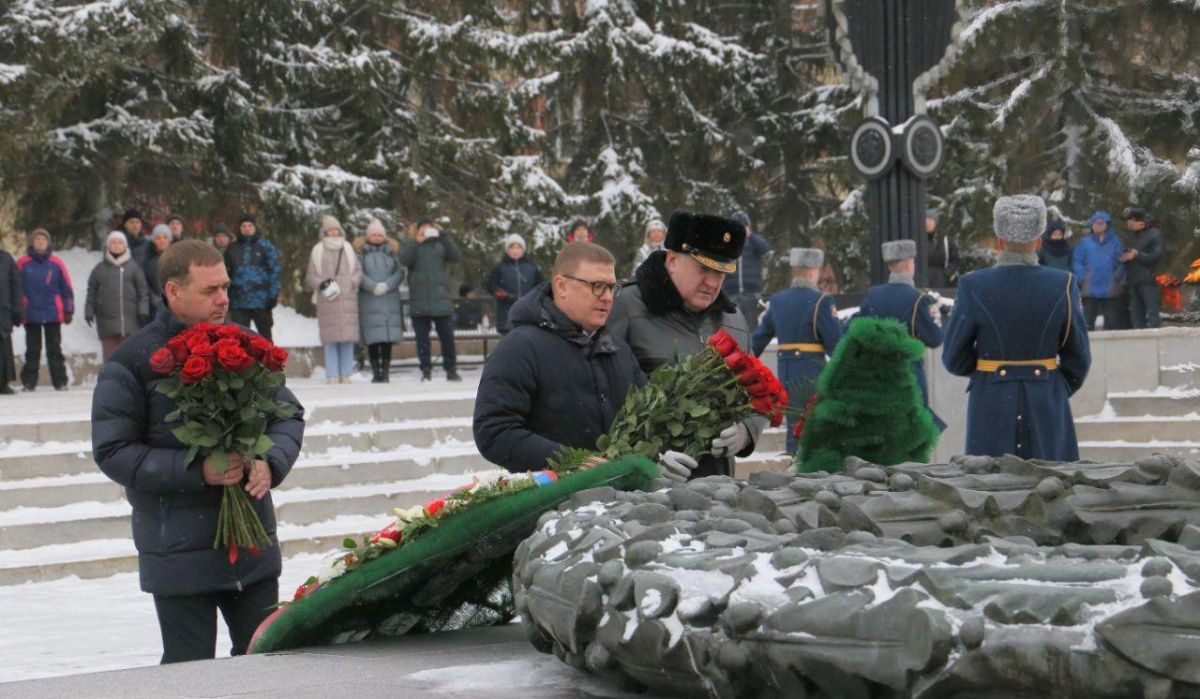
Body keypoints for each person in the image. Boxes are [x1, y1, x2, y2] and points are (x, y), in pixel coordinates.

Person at [91, 239, 304, 664]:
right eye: (210, 290)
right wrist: (198, 471)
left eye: (225, 287)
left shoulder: (245, 344)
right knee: (190, 677)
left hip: (251, 546)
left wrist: (270, 460)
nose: (223, 299)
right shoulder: (132, 361)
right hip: (178, 553)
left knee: (267, 668)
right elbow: (113, 450)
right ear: (173, 291)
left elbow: (287, 415)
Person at [608, 210, 767, 479]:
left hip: (718, 491)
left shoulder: (733, 319)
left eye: (721, 272)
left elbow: (759, 390)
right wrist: (645, 459)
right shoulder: (624, 308)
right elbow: (600, 398)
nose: (713, 283)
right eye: (703, 268)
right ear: (672, 260)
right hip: (643, 497)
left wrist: (745, 432)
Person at [942, 195, 1090, 461]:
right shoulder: (1063, 284)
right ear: (1038, 240)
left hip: (991, 404)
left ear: (1000, 242)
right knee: (1051, 489)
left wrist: (988, 376)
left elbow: (953, 358)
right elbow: (1078, 358)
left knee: (991, 491)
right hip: (1046, 401)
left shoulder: (973, 285)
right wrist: (1052, 386)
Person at [474, 242, 646, 471]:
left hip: (620, 498)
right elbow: (494, 431)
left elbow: (646, 415)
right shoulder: (519, 348)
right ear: (561, 285)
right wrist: (568, 461)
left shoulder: (618, 349)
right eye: (597, 286)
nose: (607, 297)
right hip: (552, 499)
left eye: (612, 287)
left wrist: (661, 454)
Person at [751, 247, 842, 453]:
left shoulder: (778, 300)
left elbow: (758, 339)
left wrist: (742, 362)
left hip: (785, 372)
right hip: (812, 371)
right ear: (812, 272)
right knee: (814, 427)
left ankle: (794, 468)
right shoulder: (821, 300)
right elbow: (836, 345)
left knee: (795, 426)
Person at [854, 239, 945, 434]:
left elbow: (857, 330)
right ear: (909, 265)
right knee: (912, 430)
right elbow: (934, 338)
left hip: (878, 374)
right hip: (908, 373)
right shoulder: (917, 298)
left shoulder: (873, 295)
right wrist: (935, 317)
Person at [399, 217, 461, 382]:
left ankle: (451, 369)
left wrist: (444, 236)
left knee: (447, 338)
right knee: (422, 340)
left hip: (442, 300)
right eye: (423, 228)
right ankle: (425, 369)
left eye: (430, 227)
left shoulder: (441, 244)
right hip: (419, 301)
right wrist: (416, 242)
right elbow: (403, 260)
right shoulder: (413, 245)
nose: (427, 231)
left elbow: (456, 256)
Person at [306, 216, 362, 384]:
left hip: (347, 299)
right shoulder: (317, 250)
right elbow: (311, 275)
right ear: (324, 231)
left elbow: (358, 270)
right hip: (328, 299)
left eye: (335, 229)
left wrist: (352, 282)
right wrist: (322, 285)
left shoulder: (348, 248)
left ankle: (346, 373)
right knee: (330, 339)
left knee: (347, 338)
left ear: (340, 230)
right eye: (329, 229)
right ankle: (332, 374)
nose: (333, 232)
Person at [17, 228, 74, 391]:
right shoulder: (22, 263)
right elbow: (16, 287)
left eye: (43, 239)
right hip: (31, 312)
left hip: (53, 312)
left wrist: (68, 309)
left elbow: (66, 287)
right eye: (37, 239)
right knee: (33, 349)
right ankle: (28, 382)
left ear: (48, 242)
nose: (40, 242)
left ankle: (60, 381)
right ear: (32, 242)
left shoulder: (57, 263)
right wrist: (19, 308)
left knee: (54, 348)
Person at [85, 231, 150, 361]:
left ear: (125, 246)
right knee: (110, 357)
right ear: (107, 246)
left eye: (120, 242)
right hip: (106, 322)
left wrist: (143, 310)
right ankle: (110, 379)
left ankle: (128, 380)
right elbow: (91, 292)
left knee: (129, 357)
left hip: (130, 321)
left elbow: (143, 291)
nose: (116, 245)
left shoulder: (134, 268)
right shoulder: (100, 269)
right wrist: (89, 310)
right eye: (113, 242)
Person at [354, 218, 404, 383]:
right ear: (368, 236)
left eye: (379, 234)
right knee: (373, 339)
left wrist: (388, 285)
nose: (376, 237)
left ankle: (386, 371)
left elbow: (400, 272)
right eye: (373, 234)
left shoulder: (392, 254)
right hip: (369, 300)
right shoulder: (361, 256)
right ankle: (376, 371)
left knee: (387, 339)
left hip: (389, 300)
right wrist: (372, 286)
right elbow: (357, 273)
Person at [225, 214, 281, 342]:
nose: (247, 228)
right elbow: (225, 273)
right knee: (239, 341)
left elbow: (275, 272)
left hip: (261, 302)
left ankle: (269, 363)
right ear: (239, 228)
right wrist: (228, 295)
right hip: (239, 303)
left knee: (265, 341)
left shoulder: (266, 247)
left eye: (250, 225)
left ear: (255, 227)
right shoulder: (232, 248)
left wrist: (273, 296)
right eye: (243, 226)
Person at [1072, 210, 1125, 330]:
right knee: (1086, 323)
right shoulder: (1084, 242)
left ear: (1107, 224)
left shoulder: (1116, 242)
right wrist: (1082, 277)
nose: (1097, 225)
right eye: (1095, 223)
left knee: (1112, 324)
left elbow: (1121, 261)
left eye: (1101, 223)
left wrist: (1117, 277)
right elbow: (1077, 261)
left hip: (1110, 287)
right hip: (1090, 287)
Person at [485, 233, 543, 334]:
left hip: (528, 311)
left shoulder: (532, 267)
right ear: (507, 250)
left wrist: (535, 297)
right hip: (506, 311)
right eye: (512, 248)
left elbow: (541, 286)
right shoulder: (500, 268)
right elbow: (491, 285)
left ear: (523, 249)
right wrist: (501, 294)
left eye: (518, 247)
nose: (515, 251)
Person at [721, 210, 771, 327]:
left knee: (751, 325)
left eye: (742, 226)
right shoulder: (727, 242)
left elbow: (765, 248)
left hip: (751, 291)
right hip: (731, 291)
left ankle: (751, 345)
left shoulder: (753, 241)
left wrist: (750, 235)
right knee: (733, 325)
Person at [1121, 206, 1164, 330]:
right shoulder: (1132, 235)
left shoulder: (1154, 233)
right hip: (1134, 280)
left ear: (1135, 220)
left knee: (1152, 314)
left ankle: (1156, 344)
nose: (1127, 223)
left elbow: (1157, 255)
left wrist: (1137, 255)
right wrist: (1125, 257)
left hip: (1148, 279)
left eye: (1129, 220)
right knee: (1136, 316)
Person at [143, 224, 173, 323]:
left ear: (170, 240)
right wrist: (153, 298)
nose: (162, 240)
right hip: (154, 309)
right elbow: (143, 283)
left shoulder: (178, 259)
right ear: (154, 240)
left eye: (165, 237)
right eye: (158, 238)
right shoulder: (147, 261)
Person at [0, 244, 20, 394]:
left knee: (3, 349)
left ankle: (2, 383)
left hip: (3, 311)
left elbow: (16, 285)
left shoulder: (6, 259)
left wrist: (18, 310)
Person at [925, 210, 959, 288]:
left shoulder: (945, 240)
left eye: (930, 220)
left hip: (941, 282)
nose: (927, 223)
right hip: (922, 280)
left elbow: (955, 260)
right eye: (925, 220)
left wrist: (947, 274)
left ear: (935, 222)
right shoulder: (917, 240)